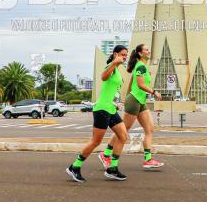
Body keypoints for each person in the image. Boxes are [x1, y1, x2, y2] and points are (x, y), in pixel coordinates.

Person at [66, 45, 129, 182]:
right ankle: (75, 167)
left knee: (123, 136)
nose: (125, 57)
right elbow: (103, 77)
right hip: (102, 110)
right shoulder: (111, 67)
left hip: (111, 109)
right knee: (96, 141)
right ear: (115, 54)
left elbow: (113, 90)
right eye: (123, 54)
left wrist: (117, 102)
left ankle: (112, 169)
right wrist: (114, 63)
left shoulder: (117, 70)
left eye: (126, 55)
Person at [100, 43, 164, 170]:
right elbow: (140, 85)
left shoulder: (141, 66)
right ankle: (106, 154)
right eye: (146, 50)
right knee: (122, 131)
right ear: (140, 53)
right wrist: (154, 91)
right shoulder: (141, 67)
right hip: (135, 101)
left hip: (139, 101)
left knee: (149, 129)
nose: (149, 51)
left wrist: (126, 97)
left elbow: (131, 82)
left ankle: (148, 159)